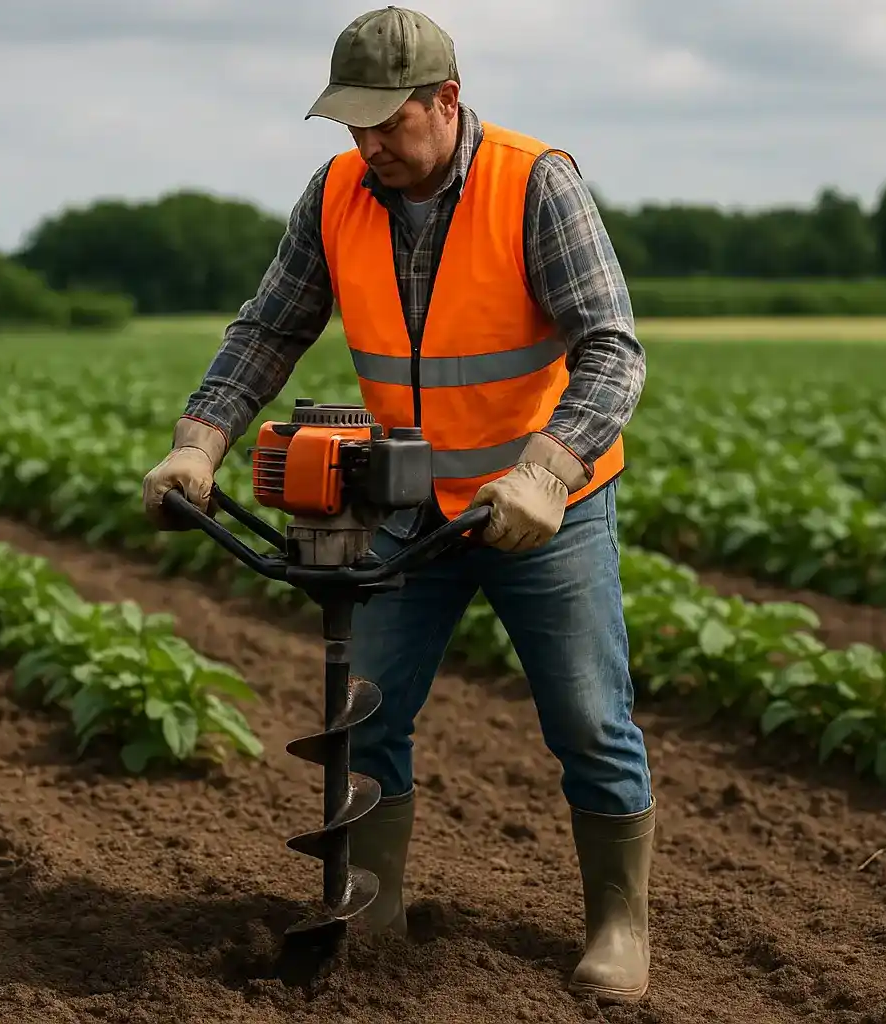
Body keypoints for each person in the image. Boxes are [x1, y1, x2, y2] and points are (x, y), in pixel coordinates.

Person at [141, 6, 654, 1005]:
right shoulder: (339, 192)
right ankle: (371, 914)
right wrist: (197, 445)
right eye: (351, 123)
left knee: (590, 721)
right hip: (411, 503)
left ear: (446, 101)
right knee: (364, 712)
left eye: (386, 122)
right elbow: (268, 330)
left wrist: (548, 470)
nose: (368, 143)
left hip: (540, 503)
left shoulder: (533, 182)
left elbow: (612, 347)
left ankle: (620, 926)